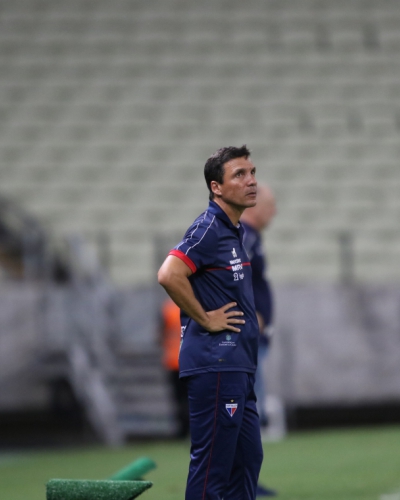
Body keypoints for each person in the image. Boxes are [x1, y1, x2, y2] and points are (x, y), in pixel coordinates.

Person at [157, 145, 263, 500]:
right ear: (216, 187)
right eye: (239, 175)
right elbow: (169, 274)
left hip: (238, 365)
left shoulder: (232, 230)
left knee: (247, 461)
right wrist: (205, 318)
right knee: (213, 470)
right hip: (217, 365)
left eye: (252, 172)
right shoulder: (208, 228)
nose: (251, 181)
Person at [240, 185, 278, 498]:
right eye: (271, 206)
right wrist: (252, 315)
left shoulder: (252, 238)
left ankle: (248, 481)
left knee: (251, 411)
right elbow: (235, 278)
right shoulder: (245, 238)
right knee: (247, 411)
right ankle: (241, 482)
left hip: (254, 337)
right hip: (247, 339)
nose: (274, 212)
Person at [161, 297, 189, 438]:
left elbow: (160, 334)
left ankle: (182, 431)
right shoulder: (193, 304)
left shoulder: (168, 308)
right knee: (190, 398)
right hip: (190, 360)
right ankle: (190, 429)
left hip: (173, 361)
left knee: (179, 399)